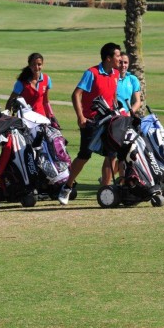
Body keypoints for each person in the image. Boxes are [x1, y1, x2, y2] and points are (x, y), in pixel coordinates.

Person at [58, 42, 121, 205]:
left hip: (109, 120)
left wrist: (116, 111)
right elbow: (76, 94)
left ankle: (106, 191)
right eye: (118, 56)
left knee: (111, 155)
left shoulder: (115, 74)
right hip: (91, 122)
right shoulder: (91, 73)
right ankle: (67, 186)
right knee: (84, 155)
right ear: (108, 58)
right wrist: (80, 117)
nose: (120, 59)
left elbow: (113, 96)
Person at [4, 52, 60, 128]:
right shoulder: (21, 82)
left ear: (42, 64)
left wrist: (51, 115)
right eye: (33, 64)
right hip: (25, 120)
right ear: (29, 65)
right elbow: (10, 101)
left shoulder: (47, 79)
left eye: (39, 64)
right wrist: (7, 117)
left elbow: (46, 101)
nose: (36, 67)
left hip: (41, 119)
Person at [114, 52, 142, 181]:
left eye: (125, 63)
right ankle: (119, 180)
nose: (123, 65)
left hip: (128, 119)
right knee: (118, 153)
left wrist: (130, 112)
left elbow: (137, 101)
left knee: (130, 150)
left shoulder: (132, 79)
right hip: (115, 119)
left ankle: (122, 178)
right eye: (121, 62)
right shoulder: (112, 78)